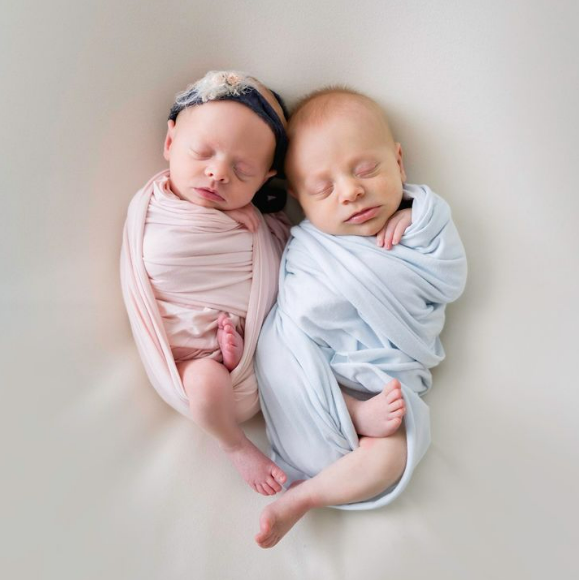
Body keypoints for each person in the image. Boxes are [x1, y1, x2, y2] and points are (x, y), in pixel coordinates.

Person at [254, 88, 467, 547]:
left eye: (366, 170)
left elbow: (448, 278)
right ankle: (345, 410)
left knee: (396, 451)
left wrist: (417, 218)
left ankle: (304, 498)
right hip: (317, 365)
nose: (351, 191)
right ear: (298, 200)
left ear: (399, 162)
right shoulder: (310, 246)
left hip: (383, 375)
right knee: (275, 346)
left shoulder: (423, 223)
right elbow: (296, 314)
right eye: (323, 189)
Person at [120, 71, 291, 496]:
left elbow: (284, 270)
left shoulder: (261, 227)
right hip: (187, 358)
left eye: (243, 169)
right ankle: (235, 445)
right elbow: (147, 270)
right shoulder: (152, 207)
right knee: (205, 381)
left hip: (244, 348)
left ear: (267, 178)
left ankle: (233, 354)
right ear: (170, 142)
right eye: (202, 153)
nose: (217, 174)